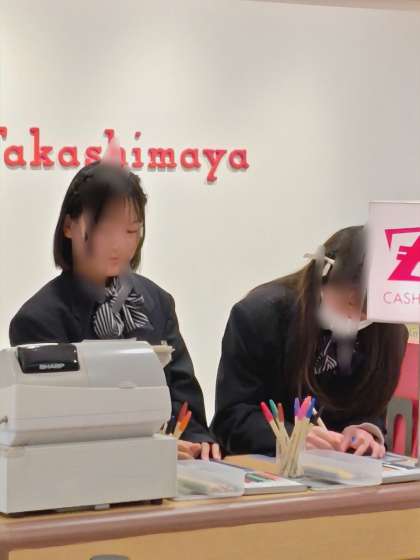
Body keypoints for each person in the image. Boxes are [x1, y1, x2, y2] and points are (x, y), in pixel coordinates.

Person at [10, 161, 220, 461]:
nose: (119, 244)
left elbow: (186, 404)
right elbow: (55, 426)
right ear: (69, 226)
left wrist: (198, 439)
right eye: (103, 229)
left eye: (131, 230)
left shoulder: (157, 302)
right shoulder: (38, 319)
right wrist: (146, 444)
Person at [212, 226, 408, 459]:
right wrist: (293, 437)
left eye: (366, 314)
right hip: (263, 461)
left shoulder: (390, 331)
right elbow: (231, 418)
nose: (355, 318)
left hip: (342, 467)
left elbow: (372, 408)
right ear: (323, 276)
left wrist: (365, 432)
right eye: (348, 303)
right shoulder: (259, 316)